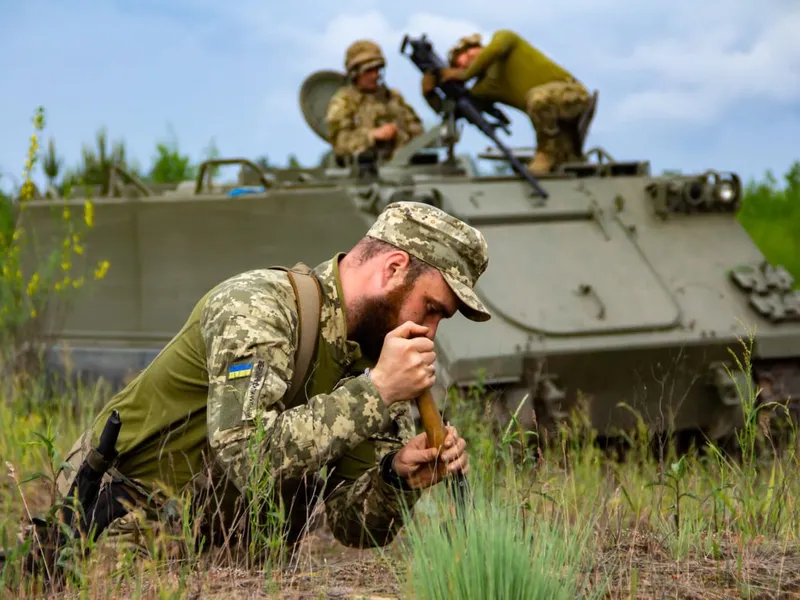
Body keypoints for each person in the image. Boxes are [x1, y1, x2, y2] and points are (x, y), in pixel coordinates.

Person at [14, 201, 490, 574]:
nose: (429, 332)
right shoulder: (258, 307)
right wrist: (378, 391)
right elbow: (249, 458)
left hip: (236, 559)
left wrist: (397, 477)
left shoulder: (375, 359)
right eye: (430, 308)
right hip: (123, 528)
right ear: (392, 269)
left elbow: (354, 527)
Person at [422, 30, 592, 174]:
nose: (466, 61)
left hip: (573, 96)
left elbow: (495, 49)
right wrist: (431, 94)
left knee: (538, 98)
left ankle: (545, 153)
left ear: (478, 47)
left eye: (467, 54)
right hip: (554, 121)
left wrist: (464, 75)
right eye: (460, 64)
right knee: (567, 166)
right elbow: (456, 112)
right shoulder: (484, 88)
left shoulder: (504, 39)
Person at [326, 40, 424, 162]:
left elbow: (418, 132)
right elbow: (340, 144)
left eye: (377, 69)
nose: (375, 75)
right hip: (363, 174)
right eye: (368, 71)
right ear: (354, 73)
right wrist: (373, 135)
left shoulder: (393, 98)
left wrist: (399, 132)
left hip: (401, 170)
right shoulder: (344, 101)